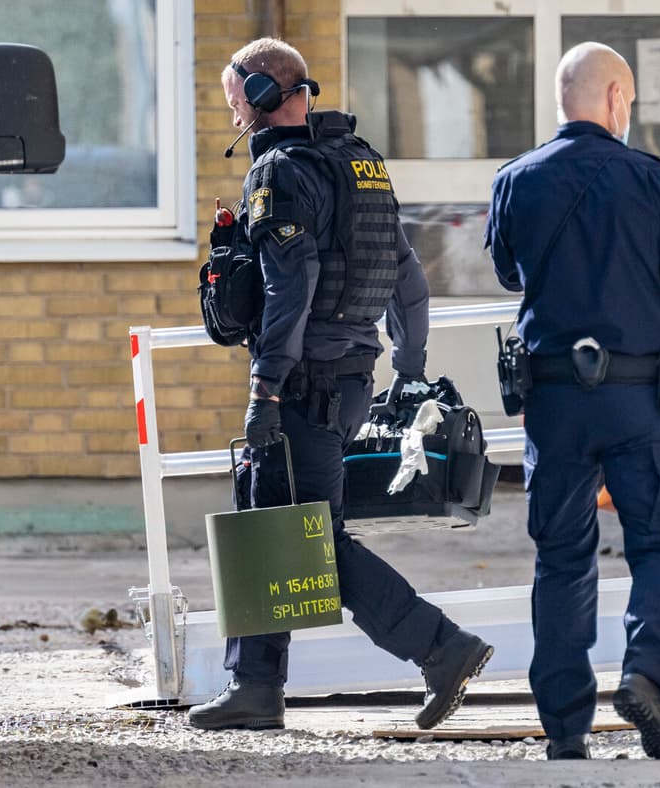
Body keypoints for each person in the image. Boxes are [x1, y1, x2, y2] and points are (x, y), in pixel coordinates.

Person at [189, 37, 494, 732]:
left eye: (236, 97)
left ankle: (441, 648)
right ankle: (256, 687)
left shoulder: (278, 172)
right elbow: (409, 278)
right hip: (352, 378)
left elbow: (289, 287)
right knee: (273, 525)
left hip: (302, 382)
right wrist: (408, 369)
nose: (232, 110)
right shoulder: (365, 166)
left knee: (309, 537)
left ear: (264, 94)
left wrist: (264, 388)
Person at [483, 42, 660, 760]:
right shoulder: (651, 178)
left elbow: (506, 274)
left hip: (551, 399)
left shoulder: (515, 180)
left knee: (561, 555)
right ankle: (647, 676)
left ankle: (564, 730)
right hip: (639, 396)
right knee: (655, 543)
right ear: (616, 98)